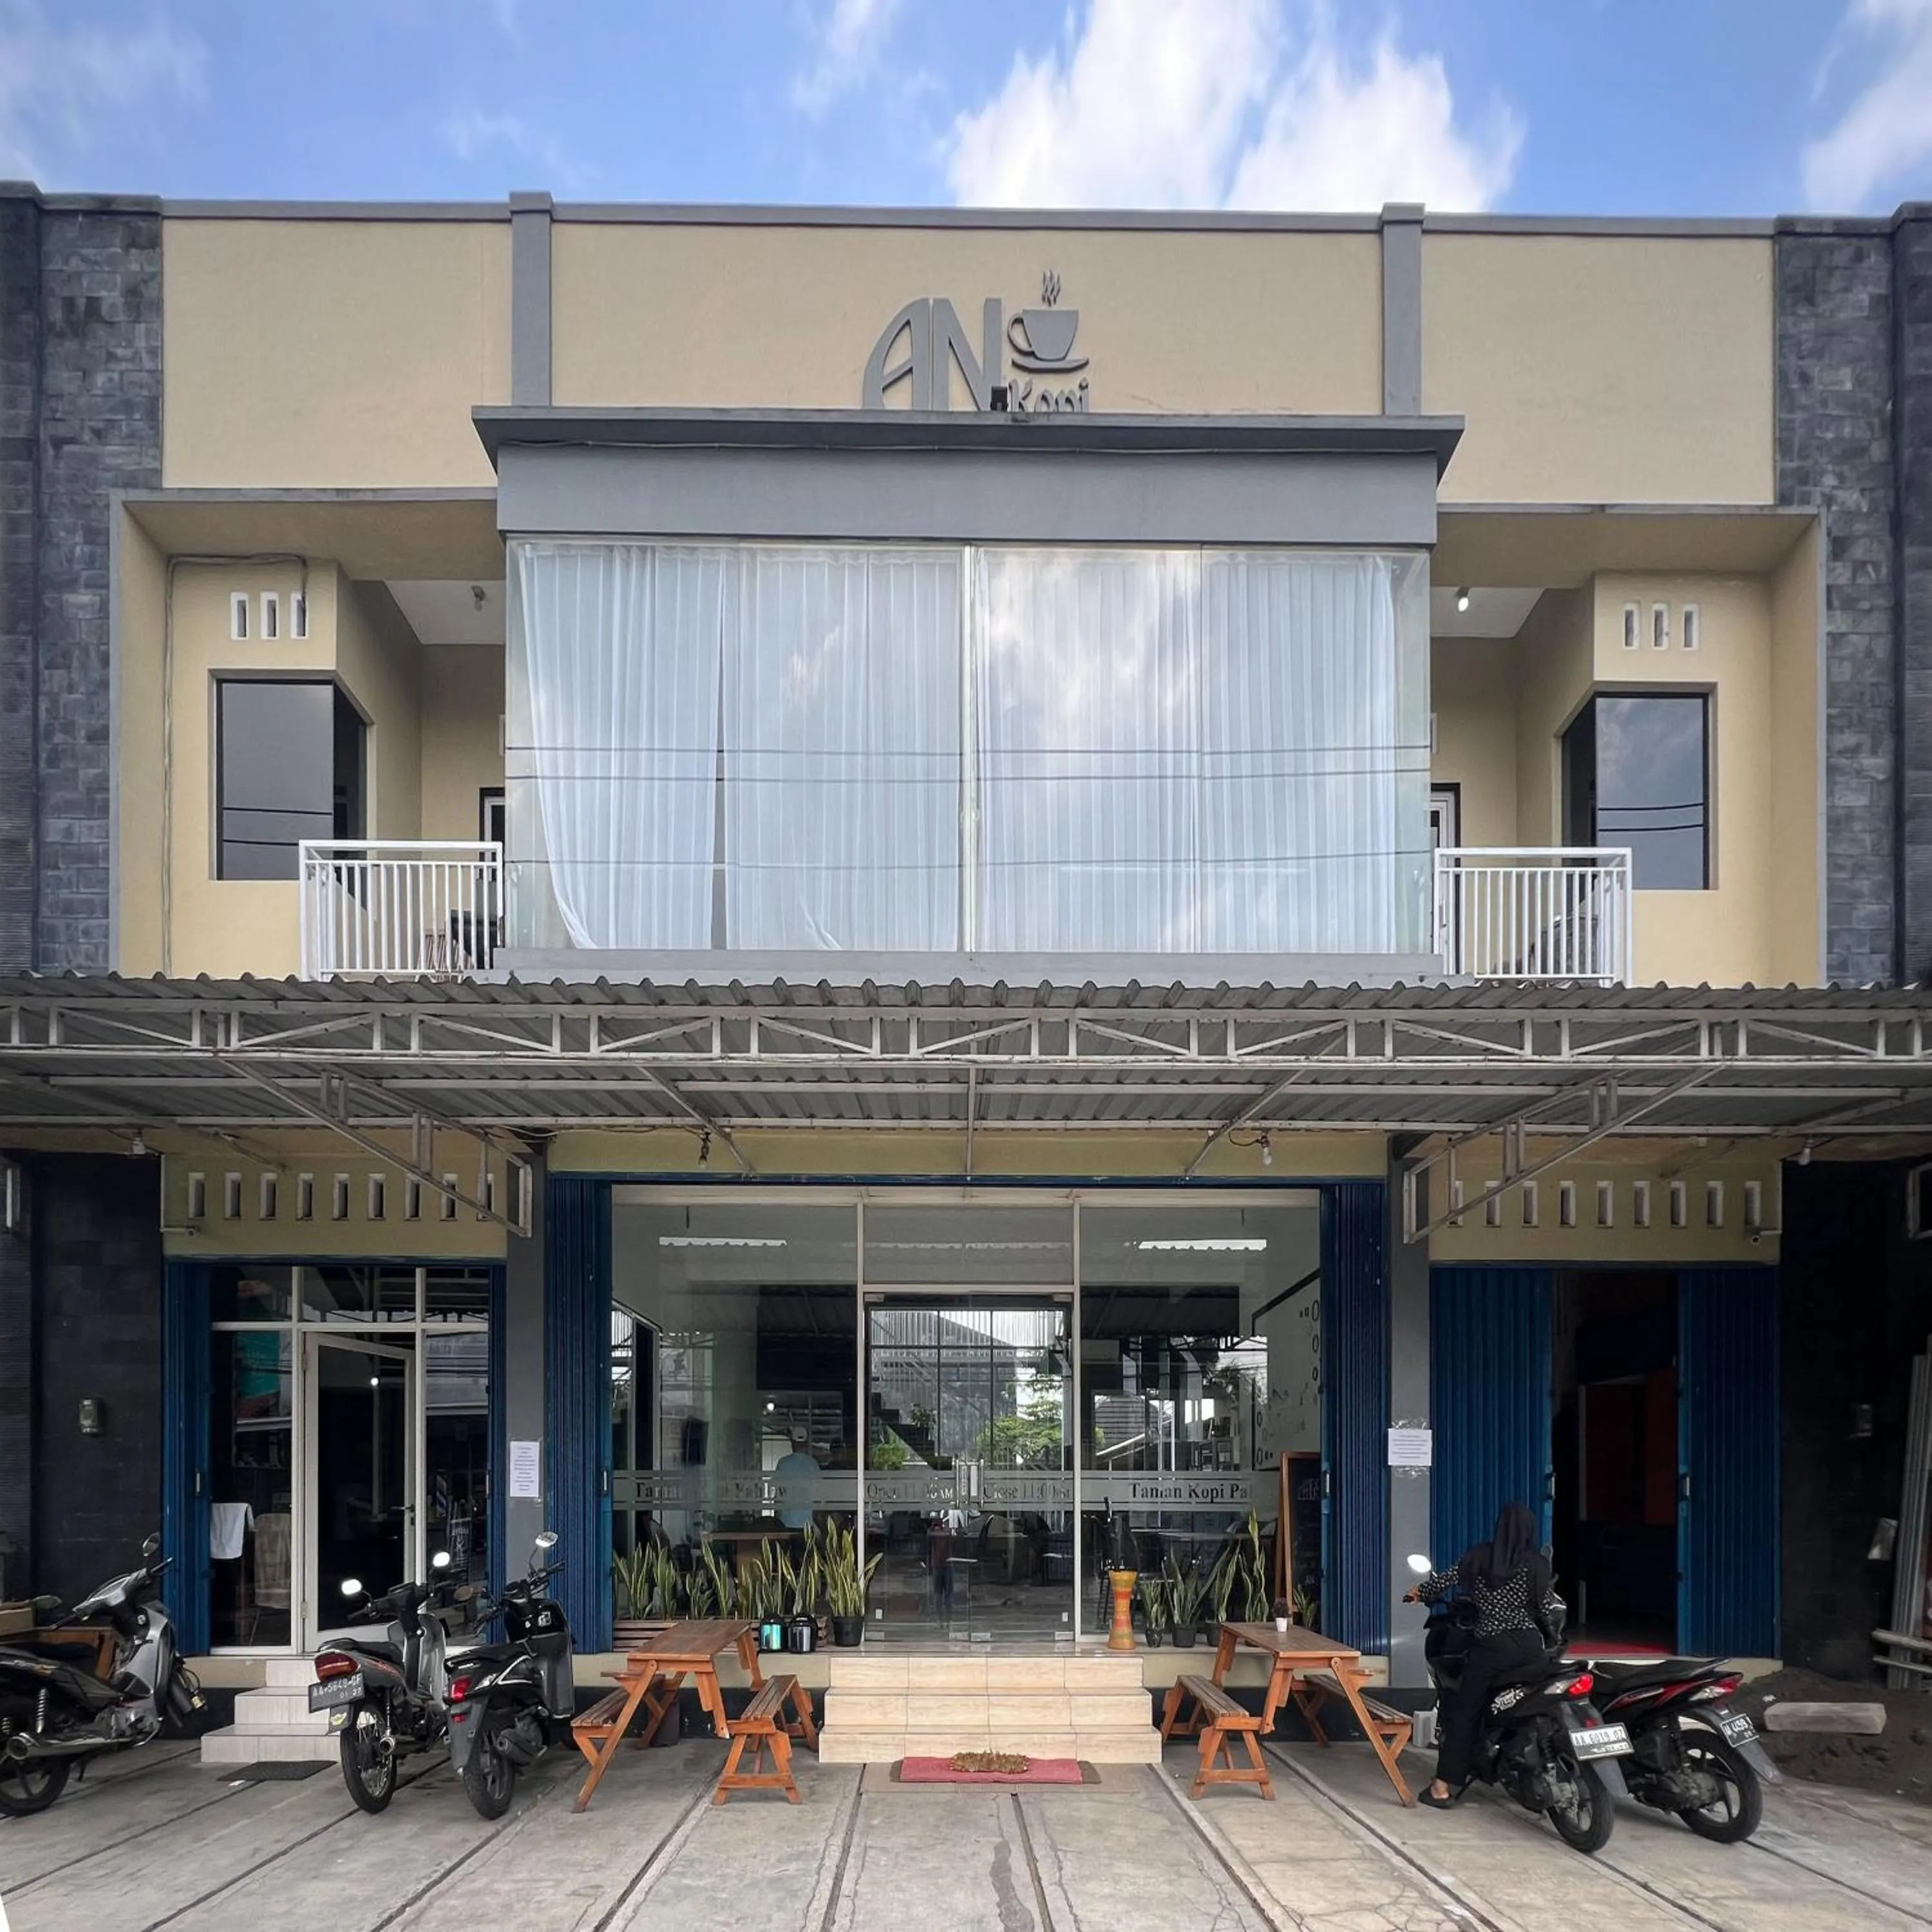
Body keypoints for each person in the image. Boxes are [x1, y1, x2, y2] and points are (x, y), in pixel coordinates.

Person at [1403, 1501, 1562, 1808]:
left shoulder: (1479, 1557)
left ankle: (1441, 1789)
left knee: (1464, 1713)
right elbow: (1546, 1610)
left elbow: (1444, 1581)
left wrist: (1418, 1594)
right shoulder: (1536, 1565)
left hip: (1492, 1649)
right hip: (1531, 1649)